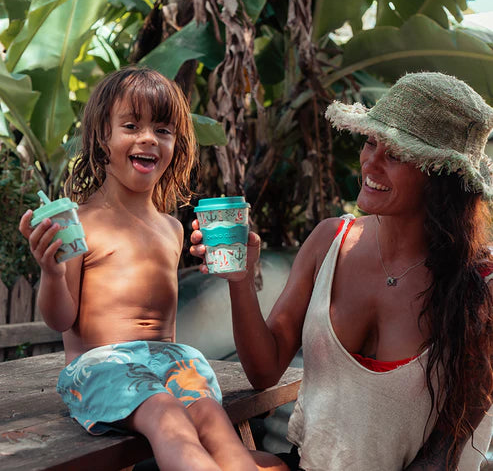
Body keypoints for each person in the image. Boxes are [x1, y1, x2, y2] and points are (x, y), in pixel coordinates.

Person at [190, 72, 493, 471]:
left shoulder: (477, 285)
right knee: (186, 433)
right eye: (370, 142)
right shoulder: (332, 240)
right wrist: (241, 281)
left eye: (396, 154)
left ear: (442, 176)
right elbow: (264, 371)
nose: (371, 162)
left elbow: (448, 448)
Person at [18, 66, 259, 471]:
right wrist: (52, 272)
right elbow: (61, 319)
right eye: (131, 125)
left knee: (213, 420)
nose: (148, 137)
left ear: (175, 145)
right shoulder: (80, 223)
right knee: (165, 414)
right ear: (102, 138)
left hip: (171, 362)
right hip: (101, 366)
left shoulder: (171, 228)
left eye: (163, 131)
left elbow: (168, 328)